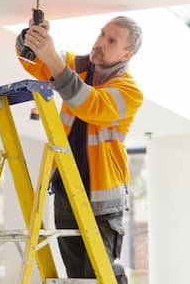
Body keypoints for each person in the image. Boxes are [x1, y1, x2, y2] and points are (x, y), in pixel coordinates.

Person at [15, 16, 143, 284]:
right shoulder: (77, 67)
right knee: (76, 277)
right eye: (101, 34)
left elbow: (89, 103)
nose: (100, 42)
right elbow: (34, 63)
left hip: (102, 200)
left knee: (98, 274)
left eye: (111, 41)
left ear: (126, 53)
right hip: (66, 190)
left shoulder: (129, 91)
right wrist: (32, 38)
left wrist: (54, 60)